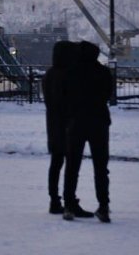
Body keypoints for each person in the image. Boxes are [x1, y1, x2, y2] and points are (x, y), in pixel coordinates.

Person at [62, 40, 112, 223]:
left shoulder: (71, 72)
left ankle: (68, 206)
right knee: (101, 168)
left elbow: (65, 96)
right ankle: (104, 207)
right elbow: (108, 95)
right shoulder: (103, 72)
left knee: (72, 166)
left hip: (76, 123)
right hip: (99, 122)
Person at [41, 41, 78, 215]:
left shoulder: (49, 75)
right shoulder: (69, 75)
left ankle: (54, 199)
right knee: (70, 165)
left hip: (53, 124)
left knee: (55, 163)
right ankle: (68, 198)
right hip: (68, 124)